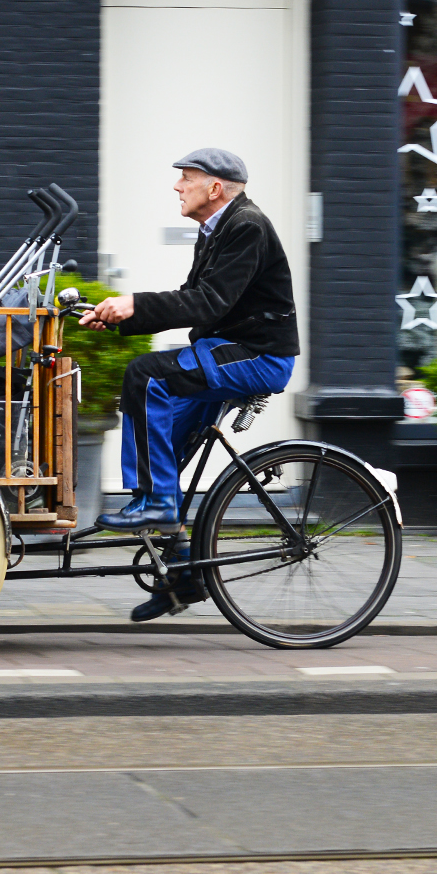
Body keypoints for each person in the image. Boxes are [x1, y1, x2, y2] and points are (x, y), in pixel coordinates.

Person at [79, 148, 299, 618]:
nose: (177, 186)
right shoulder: (216, 228)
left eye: (186, 178)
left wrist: (134, 303)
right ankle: (182, 576)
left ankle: (157, 502)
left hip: (260, 356)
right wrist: (118, 317)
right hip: (227, 350)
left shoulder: (247, 226)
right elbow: (193, 299)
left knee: (144, 374)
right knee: (162, 449)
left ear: (214, 188)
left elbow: (208, 302)